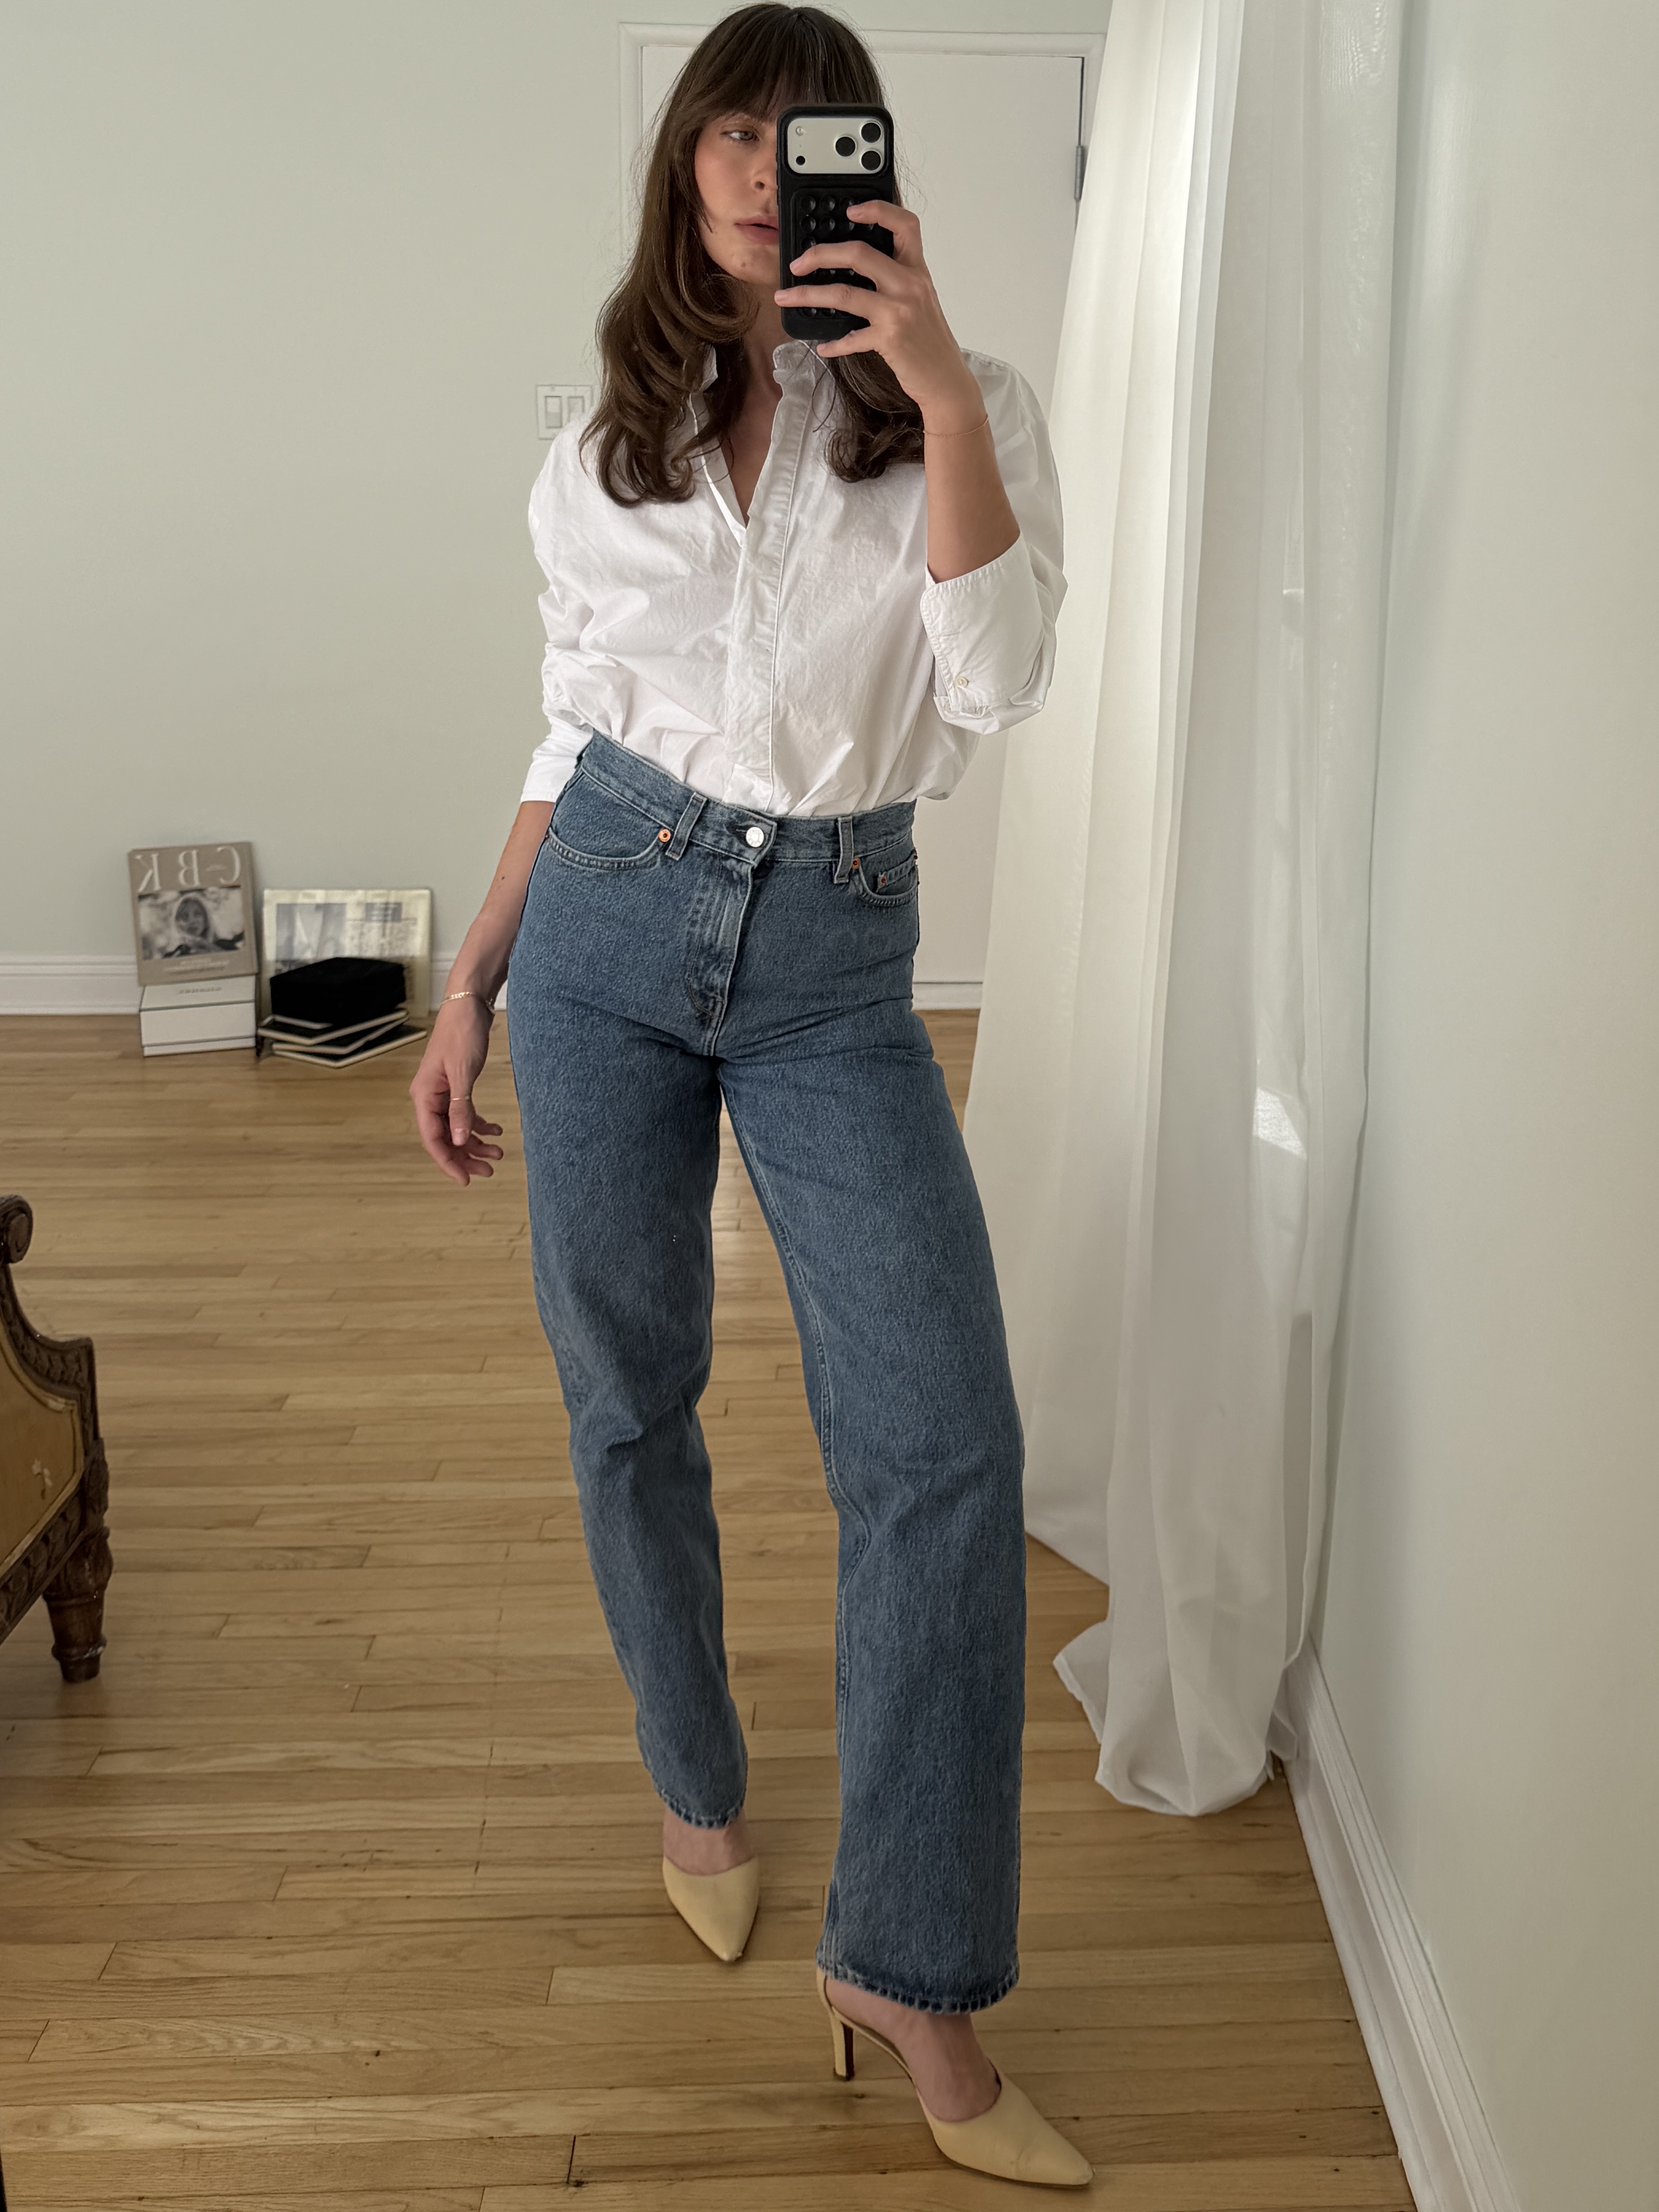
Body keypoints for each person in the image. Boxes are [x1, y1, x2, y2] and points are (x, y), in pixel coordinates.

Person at [409, 4, 1084, 2187]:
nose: (758, 153)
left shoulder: (961, 415)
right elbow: (568, 716)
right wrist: (473, 968)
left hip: (832, 955)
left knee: (944, 1447)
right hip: (601, 919)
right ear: (684, 151)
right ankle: (692, 1782)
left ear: (861, 163)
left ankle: (904, 1964)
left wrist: (947, 381)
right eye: (731, 116)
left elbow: (994, 680)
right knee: (627, 1387)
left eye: (809, 126)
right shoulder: (600, 426)